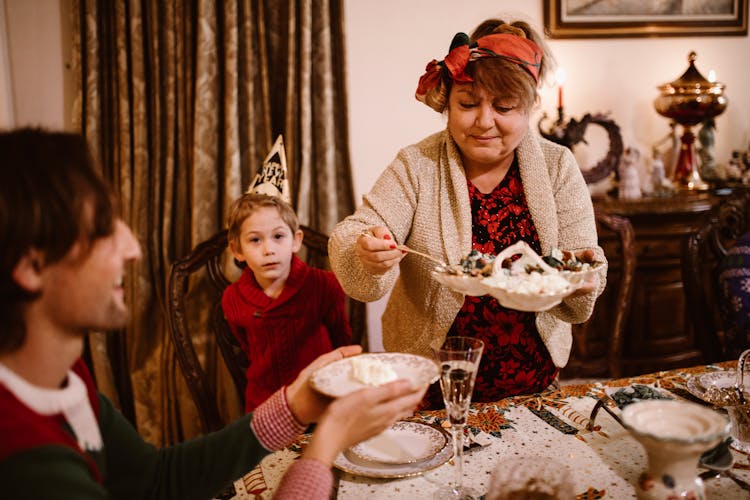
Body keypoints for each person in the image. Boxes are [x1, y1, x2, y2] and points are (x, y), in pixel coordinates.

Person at [0, 128, 426, 499]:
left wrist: (296, 405)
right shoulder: (27, 464)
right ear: (31, 266)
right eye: (102, 229)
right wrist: (327, 443)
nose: (132, 249)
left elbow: (155, 481)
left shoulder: (68, 378)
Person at [329, 18, 606, 405]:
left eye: (504, 106)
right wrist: (366, 248)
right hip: (429, 387)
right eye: (468, 103)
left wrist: (581, 271)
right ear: (448, 102)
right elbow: (356, 230)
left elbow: (587, 259)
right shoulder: (417, 165)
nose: (484, 121)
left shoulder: (557, 165)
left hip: (534, 383)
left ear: (529, 108)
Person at [222, 193, 352, 412]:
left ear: (296, 240)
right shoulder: (233, 299)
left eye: (278, 236)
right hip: (265, 405)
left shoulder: (323, 286)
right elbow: (247, 348)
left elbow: (342, 341)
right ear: (237, 250)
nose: (268, 249)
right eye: (255, 240)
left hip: (322, 399)